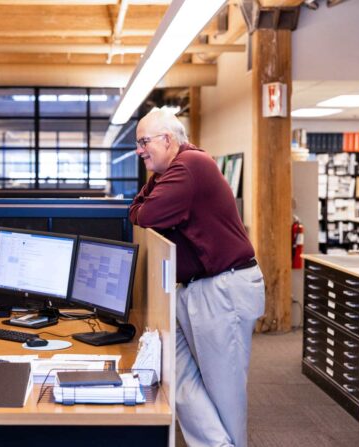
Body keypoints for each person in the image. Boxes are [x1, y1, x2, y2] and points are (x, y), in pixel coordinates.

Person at [129, 107, 265, 447]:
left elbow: (145, 214)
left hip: (223, 289)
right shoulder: (171, 171)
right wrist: (151, 189)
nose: (139, 150)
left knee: (225, 393)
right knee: (176, 373)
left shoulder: (190, 166)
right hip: (196, 290)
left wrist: (146, 199)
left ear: (169, 139)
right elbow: (138, 211)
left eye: (144, 142)